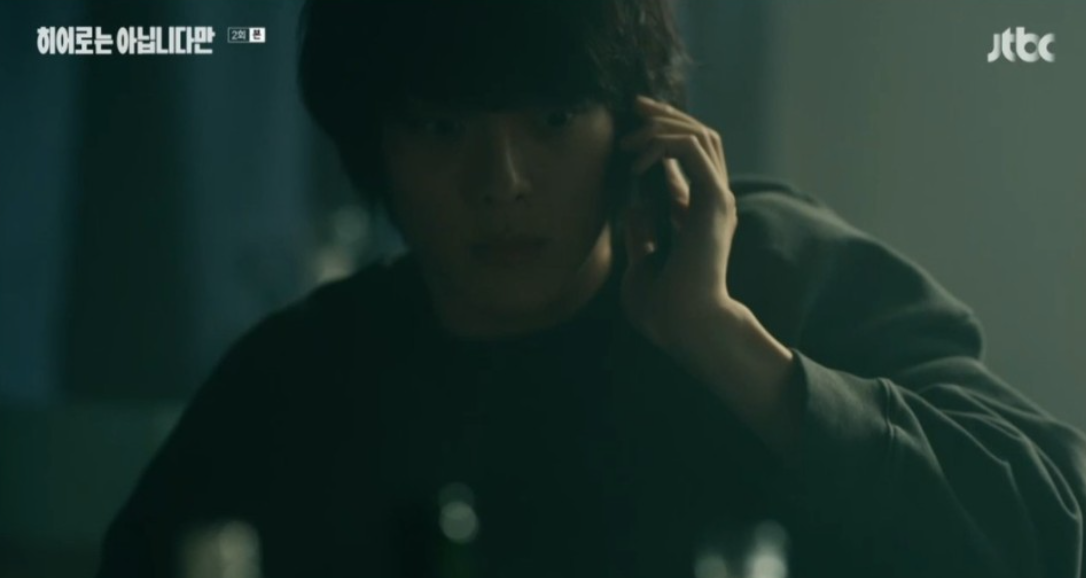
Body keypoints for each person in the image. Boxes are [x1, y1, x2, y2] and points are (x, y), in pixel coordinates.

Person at [95, 0, 1086, 576]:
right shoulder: (297, 383)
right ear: (375, 150)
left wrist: (725, 339)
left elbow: (1049, 527)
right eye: (442, 128)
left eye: (554, 120)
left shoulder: (777, 267)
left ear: (637, 126)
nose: (502, 181)